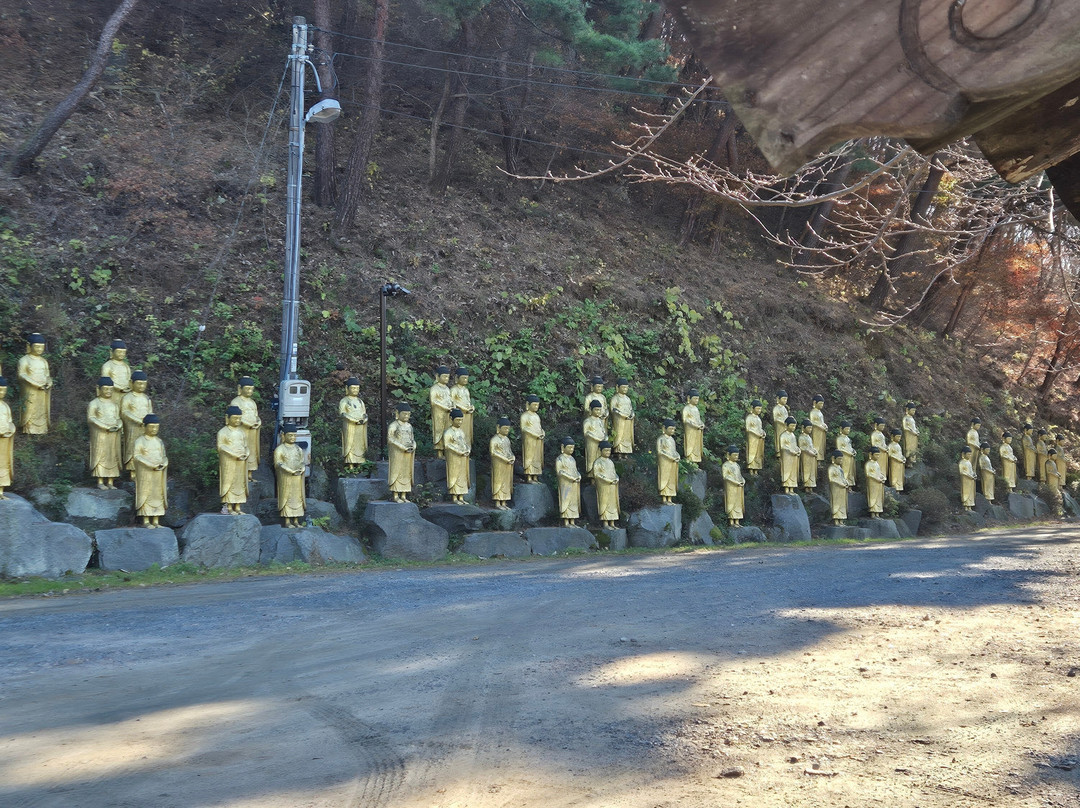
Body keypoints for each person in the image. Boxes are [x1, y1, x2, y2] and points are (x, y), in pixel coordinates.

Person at [133, 414, 168, 528]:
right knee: (146, 493)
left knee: (158, 494)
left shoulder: (159, 441)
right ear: (144, 426)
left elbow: (164, 456)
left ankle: (156, 520)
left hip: (158, 472)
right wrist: (150, 464)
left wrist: (164, 463)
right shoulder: (140, 441)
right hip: (145, 472)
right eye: (151, 427)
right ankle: (146, 520)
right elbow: (137, 456)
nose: (154, 430)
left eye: (156, 427)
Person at [87, 377, 122, 489]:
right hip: (100, 434)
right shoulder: (94, 403)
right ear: (99, 389)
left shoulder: (114, 404)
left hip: (113, 434)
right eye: (105, 389)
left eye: (110, 390)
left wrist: (119, 425)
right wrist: (105, 426)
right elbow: (91, 418)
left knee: (112, 455)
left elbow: (118, 418)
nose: (108, 392)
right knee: (101, 455)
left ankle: (111, 482)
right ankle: (100, 481)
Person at [17, 333, 52, 434]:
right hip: (30, 389)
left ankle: (42, 429)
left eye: (42, 347)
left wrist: (49, 382)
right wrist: (35, 384)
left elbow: (47, 375)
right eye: (37, 346)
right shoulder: (24, 360)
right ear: (29, 346)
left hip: (43, 390)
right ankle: (28, 429)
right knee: (29, 408)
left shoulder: (44, 361)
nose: (39, 349)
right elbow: (21, 375)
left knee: (42, 409)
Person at [120, 370, 153, 478]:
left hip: (145, 427)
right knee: (132, 446)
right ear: (132, 383)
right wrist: (137, 420)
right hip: (132, 427)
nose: (141, 386)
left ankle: (144, 469)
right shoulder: (127, 397)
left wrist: (149, 422)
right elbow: (124, 412)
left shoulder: (146, 398)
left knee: (145, 447)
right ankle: (132, 471)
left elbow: (150, 412)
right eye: (139, 383)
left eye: (143, 383)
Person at [217, 405, 249, 514]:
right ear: (227, 418)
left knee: (240, 483)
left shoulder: (242, 432)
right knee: (229, 482)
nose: (237, 421)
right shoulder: (223, 432)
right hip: (229, 462)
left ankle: (238, 506)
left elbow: (246, 446)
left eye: (239, 418)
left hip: (241, 461)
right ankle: (229, 507)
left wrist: (246, 453)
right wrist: (234, 454)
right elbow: (220, 446)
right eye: (235, 418)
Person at [274, 422, 306, 528]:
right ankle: (287, 521)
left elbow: (302, 462)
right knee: (287, 497)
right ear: (284, 436)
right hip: (286, 478)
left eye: (294, 435)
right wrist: (289, 470)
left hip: (297, 478)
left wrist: (302, 469)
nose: (293, 437)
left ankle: (296, 520)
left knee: (297, 498)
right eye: (290, 435)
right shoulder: (280, 449)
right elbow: (278, 463)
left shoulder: (298, 449)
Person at [229, 376, 262, 480]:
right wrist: (248, 424)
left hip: (253, 432)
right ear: (240, 388)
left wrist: (258, 422)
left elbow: (256, 416)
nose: (250, 391)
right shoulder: (236, 402)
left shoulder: (252, 402)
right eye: (247, 388)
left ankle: (249, 474)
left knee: (252, 452)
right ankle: (239, 475)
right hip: (241, 431)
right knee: (241, 450)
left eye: (251, 389)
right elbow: (235, 418)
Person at [387, 403, 416, 502]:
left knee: (406, 472)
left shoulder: (409, 426)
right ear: (397, 413)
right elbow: (390, 439)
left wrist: (414, 445)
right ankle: (395, 495)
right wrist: (402, 447)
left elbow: (412, 439)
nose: (406, 416)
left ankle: (404, 495)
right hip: (398, 452)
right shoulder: (394, 425)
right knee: (397, 471)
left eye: (408, 414)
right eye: (404, 414)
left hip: (408, 452)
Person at [339, 377, 368, 470]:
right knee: (350, 443)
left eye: (357, 388)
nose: (355, 390)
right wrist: (353, 420)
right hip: (350, 426)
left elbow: (364, 413)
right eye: (353, 388)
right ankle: (350, 464)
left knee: (360, 444)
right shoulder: (344, 400)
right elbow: (342, 414)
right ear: (347, 389)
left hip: (360, 426)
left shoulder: (360, 401)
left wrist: (365, 419)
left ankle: (359, 463)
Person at [443, 408, 471, 504]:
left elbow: (465, 443)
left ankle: (461, 496)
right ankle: (455, 497)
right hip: (454, 458)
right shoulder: (448, 432)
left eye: (461, 420)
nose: (460, 422)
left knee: (462, 476)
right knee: (455, 475)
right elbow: (447, 445)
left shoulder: (461, 432)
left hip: (463, 458)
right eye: (457, 420)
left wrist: (467, 450)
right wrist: (459, 452)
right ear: (451, 419)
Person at [592, 441, 620, 529]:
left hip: (612, 486)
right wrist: (607, 480)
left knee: (613, 503)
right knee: (605, 502)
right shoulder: (598, 462)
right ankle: (605, 523)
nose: (608, 452)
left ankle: (612, 523)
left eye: (609, 451)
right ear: (600, 450)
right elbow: (597, 475)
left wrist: (616, 478)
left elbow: (614, 473)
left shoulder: (610, 462)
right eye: (606, 450)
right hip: (604, 486)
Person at [490, 417, 515, 510]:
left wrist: (512, 457)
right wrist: (504, 459)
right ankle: (497, 502)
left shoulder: (507, 440)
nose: (507, 430)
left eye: (508, 428)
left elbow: (509, 451)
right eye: (505, 428)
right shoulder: (494, 439)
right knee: (498, 481)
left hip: (507, 464)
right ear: (498, 428)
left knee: (506, 482)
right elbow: (493, 452)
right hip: (498, 464)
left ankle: (504, 502)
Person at [556, 437, 582, 526]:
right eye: (569, 447)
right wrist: (570, 477)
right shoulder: (560, 459)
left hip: (574, 484)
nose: (571, 450)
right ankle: (566, 521)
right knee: (566, 500)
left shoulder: (572, 459)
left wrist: (578, 476)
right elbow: (559, 472)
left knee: (573, 502)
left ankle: (573, 521)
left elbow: (575, 470)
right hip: (565, 484)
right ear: (563, 447)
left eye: (573, 448)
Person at [520, 395, 545, 482]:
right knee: (529, 457)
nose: (536, 407)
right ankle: (529, 476)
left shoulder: (537, 416)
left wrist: (542, 432)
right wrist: (534, 434)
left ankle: (535, 476)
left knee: (537, 458)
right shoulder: (525, 416)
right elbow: (524, 428)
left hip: (538, 441)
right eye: (534, 405)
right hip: (529, 441)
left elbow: (539, 427)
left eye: (537, 405)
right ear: (528, 404)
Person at [429, 366, 453, 458]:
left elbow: (450, 399)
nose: (446, 379)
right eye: (444, 376)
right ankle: (439, 452)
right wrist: (444, 407)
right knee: (439, 430)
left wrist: (452, 406)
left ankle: (447, 450)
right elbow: (433, 401)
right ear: (437, 377)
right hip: (438, 413)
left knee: (447, 430)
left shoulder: (447, 389)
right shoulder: (434, 388)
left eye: (447, 377)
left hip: (448, 413)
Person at [450, 367, 476, 448]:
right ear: (457, 378)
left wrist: (472, 407)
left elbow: (468, 402)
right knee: (458, 432)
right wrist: (464, 409)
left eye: (466, 378)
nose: (465, 380)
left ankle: (467, 449)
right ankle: (458, 448)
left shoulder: (466, 390)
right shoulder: (454, 389)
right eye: (463, 378)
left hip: (467, 415)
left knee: (467, 433)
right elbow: (452, 403)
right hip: (459, 415)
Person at [656, 418, 680, 504]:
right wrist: (669, 457)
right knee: (665, 478)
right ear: (664, 428)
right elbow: (659, 451)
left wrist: (677, 456)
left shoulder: (672, 440)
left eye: (674, 429)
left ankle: (669, 498)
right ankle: (664, 498)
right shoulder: (661, 439)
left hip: (672, 462)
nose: (672, 431)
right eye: (670, 428)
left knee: (671, 479)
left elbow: (674, 451)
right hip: (664, 462)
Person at [609, 378, 635, 455]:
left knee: (627, 436)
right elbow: (612, 409)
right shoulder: (615, 398)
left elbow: (631, 409)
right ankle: (618, 451)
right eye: (623, 387)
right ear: (618, 387)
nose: (625, 389)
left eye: (626, 387)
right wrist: (621, 414)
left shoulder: (628, 399)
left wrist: (632, 414)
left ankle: (626, 452)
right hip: (619, 421)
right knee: (619, 435)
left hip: (628, 421)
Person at [722, 445, 746, 526]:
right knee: (731, 502)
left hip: (739, 487)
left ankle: (737, 521)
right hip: (731, 487)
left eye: (737, 455)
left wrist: (743, 480)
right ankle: (732, 521)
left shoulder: (737, 465)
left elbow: (739, 475)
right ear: (729, 455)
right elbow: (725, 476)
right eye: (734, 455)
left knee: (738, 504)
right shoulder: (726, 465)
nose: (736, 457)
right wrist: (735, 482)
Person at [828, 450, 853, 525]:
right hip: (836, 489)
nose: (841, 460)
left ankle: (841, 520)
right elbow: (831, 478)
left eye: (841, 459)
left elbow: (842, 477)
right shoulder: (831, 468)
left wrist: (846, 482)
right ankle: (836, 520)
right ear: (833, 459)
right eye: (839, 459)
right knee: (836, 503)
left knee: (842, 504)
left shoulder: (840, 468)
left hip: (842, 489)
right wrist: (840, 483)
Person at [583, 399, 607, 477]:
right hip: (592, 443)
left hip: (601, 443)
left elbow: (604, 431)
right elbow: (586, 433)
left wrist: (605, 437)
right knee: (592, 459)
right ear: (591, 410)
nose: (598, 412)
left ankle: (600, 475)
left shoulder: (600, 421)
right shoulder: (588, 421)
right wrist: (596, 438)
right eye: (596, 410)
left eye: (599, 410)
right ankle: (591, 476)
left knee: (600, 458)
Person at [0, 378, 15, 498]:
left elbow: (10, 422)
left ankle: (1, 491)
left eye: (4, 391)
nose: (2, 393)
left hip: (4, 442)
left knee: (3, 464)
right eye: (0, 390)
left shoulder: (5, 406)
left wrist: (10, 430)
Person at [682, 389, 704, 465]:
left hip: (697, 431)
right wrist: (694, 425)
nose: (696, 400)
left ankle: (696, 461)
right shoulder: (686, 408)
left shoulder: (696, 409)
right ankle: (689, 459)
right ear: (689, 398)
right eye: (695, 398)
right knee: (690, 444)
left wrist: (701, 424)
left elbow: (698, 419)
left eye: (697, 399)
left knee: (696, 446)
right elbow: (685, 420)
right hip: (690, 430)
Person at [779, 416, 801, 493]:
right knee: (787, 470)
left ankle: (792, 488)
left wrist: (798, 449)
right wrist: (790, 451)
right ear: (786, 425)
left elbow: (794, 445)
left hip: (793, 457)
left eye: (794, 426)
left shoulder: (793, 436)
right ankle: (786, 488)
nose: (793, 427)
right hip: (786, 456)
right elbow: (783, 447)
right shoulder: (783, 435)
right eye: (791, 425)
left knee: (793, 472)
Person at [864, 446, 887, 517]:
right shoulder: (868, 464)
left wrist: (883, 477)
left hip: (879, 483)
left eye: (878, 455)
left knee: (879, 498)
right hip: (872, 483)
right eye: (876, 455)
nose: (878, 456)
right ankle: (873, 513)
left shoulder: (876, 464)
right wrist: (876, 479)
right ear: (871, 454)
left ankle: (878, 513)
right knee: (873, 496)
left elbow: (879, 472)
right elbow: (868, 474)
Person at [744, 400, 766, 475]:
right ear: (752, 408)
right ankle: (751, 468)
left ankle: (756, 468)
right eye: (757, 408)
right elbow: (748, 428)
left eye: (760, 409)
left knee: (758, 453)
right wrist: (756, 433)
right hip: (752, 438)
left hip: (758, 439)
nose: (759, 410)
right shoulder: (749, 418)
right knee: (752, 452)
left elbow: (760, 428)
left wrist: (763, 432)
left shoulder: (758, 419)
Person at [836, 420, 857, 487]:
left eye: (849, 429)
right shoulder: (839, 438)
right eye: (846, 429)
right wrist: (848, 453)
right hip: (844, 457)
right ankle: (844, 484)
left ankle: (850, 486)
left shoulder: (847, 438)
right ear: (841, 429)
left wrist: (853, 451)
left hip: (850, 457)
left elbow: (850, 447)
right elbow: (840, 449)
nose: (848, 430)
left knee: (851, 472)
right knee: (845, 471)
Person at [798, 419, 818, 491]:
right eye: (808, 428)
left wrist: (814, 451)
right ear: (803, 428)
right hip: (805, 456)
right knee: (806, 470)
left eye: (811, 428)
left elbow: (811, 446)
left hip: (811, 457)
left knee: (812, 471)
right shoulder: (801, 437)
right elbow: (802, 447)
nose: (810, 429)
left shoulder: (809, 437)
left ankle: (811, 487)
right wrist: (809, 452)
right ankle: (806, 486)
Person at [809, 395, 828, 466]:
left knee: (820, 446)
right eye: (820, 403)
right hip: (815, 431)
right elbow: (812, 422)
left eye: (822, 404)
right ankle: (815, 460)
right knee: (815, 445)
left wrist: (824, 425)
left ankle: (819, 461)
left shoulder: (820, 413)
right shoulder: (813, 412)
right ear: (815, 403)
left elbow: (821, 422)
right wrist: (820, 426)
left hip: (821, 432)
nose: (821, 405)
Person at [958, 446, 977, 510]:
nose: (970, 456)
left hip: (971, 480)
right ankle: (966, 505)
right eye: (968, 454)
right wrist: (970, 476)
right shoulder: (962, 462)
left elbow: (971, 471)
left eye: (970, 454)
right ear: (963, 454)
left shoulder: (969, 462)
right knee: (966, 492)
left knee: (971, 492)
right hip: (965, 480)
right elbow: (962, 471)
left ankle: (970, 506)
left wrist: (974, 475)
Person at [772, 390, 789, 458]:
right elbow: (776, 418)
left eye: (786, 399)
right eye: (784, 399)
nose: (785, 400)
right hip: (779, 427)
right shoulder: (776, 408)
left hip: (785, 428)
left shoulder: (784, 409)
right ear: (778, 399)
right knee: (779, 438)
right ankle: (779, 452)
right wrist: (784, 422)